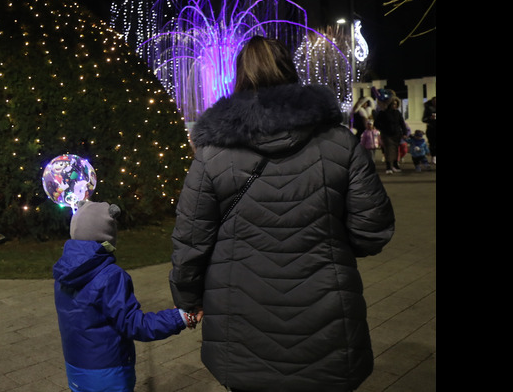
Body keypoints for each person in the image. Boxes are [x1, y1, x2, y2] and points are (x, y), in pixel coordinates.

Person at [169, 36, 395, 392]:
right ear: (290, 72)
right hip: (326, 316)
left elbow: (191, 240)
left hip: (241, 317)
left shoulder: (212, 153)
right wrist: (331, 245)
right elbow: (374, 228)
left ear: (238, 78)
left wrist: (188, 298)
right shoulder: (338, 141)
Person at [54, 200, 190, 392]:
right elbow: (135, 325)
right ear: (108, 237)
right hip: (108, 372)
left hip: (76, 368)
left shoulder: (61, 273)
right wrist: (180, 317)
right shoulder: (110, 276)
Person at [374, 96, 408, 174]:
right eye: (393, 104)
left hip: (396, 134)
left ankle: (395, 165)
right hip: (386, 134)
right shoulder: (383, 113)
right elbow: (376, 123)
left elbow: (402, 123)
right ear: (389, 104)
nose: (394, 105)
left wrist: (404, 133)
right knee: (388, 150)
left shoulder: (397, 113)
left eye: (396, 104)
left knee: (396, 150)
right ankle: (388, 166)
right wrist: (383, 128)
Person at [422, 96, 437, 164]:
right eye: (434, 101)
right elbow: (423, 119)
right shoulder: (428, 109)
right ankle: (433, 157)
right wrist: (430, 118)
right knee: (432, 144)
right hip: (431, 129)